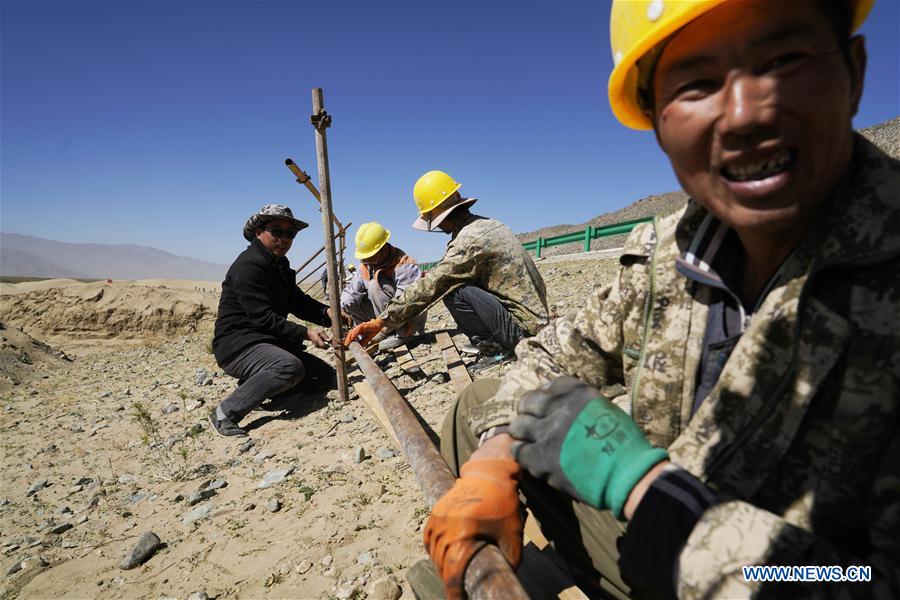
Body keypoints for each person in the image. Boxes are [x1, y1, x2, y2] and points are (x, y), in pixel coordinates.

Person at [425, 1, 899, 598]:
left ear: (854, 71)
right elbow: (551, 359)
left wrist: (645, 488)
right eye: (697, 83)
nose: (746, 114)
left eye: (784, 59)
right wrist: (493, 461)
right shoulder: (666, 249)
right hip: (656, 537)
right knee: (487, 405)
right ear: (655, 121)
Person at [343, 171, 549, 362]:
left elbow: (433, 284)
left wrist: (380, 321)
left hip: (525, 331)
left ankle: (498, 349)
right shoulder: (485, 224)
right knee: (456, 284)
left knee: (452, 290)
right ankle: (500, 339)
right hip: (534, 319)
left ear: (437, 218)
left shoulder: (467, 242)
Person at [210, 204, 338, 437]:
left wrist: (328, 313)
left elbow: (297, 301)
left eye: (290, 234)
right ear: (259, 232)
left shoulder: (278, 265)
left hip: (267, 342)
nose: (284, 239)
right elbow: (262, 318)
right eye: (276, 231)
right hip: (239, 346)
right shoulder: (250, 265)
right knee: (288, 367)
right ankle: (226, 412)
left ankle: (266, 390)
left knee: (326, 377)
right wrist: (306, 333)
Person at [340, 221, 426, 348]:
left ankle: (400, 335)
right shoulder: (367, 265)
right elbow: (351, 292)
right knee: (352, 300)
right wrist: (341, 309)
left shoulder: (405, 265)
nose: (368, 262)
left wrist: (381, 326)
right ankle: (367, 334)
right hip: (384, 318)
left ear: (384, 249)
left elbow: (404, 304)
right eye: (365, 258)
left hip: (408, 319)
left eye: (371, 257)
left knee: (375, 285)